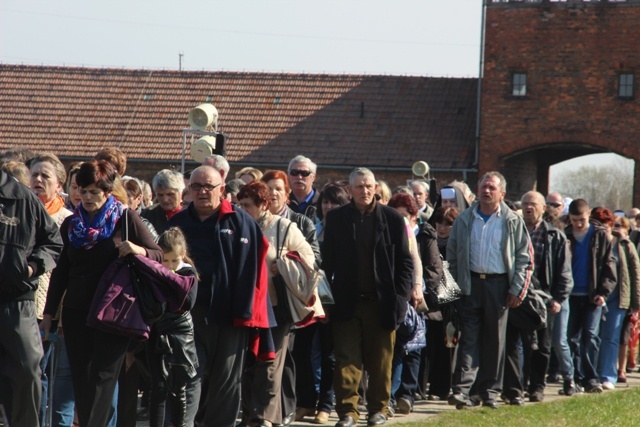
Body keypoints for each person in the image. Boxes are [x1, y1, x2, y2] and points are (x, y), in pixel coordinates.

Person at [40, 160, 163, 427]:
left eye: (94, 192)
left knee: (103, 379)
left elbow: (158, 254)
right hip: (77, 312)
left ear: (108, 192)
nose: (87, 197)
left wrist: (138, 249)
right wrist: (50, 312)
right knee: (83, 380)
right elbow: (61, 271)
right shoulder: (72, 225)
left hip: (114, 312)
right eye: (83, 191)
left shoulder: (125, 218)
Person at [166, 165, 271, 427]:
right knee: (190, 375)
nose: (202, 192)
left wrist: (248, 314)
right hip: (188, 315)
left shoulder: (240, 221)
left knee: (226, 383)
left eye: (208, 187)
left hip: (230, 316)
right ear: (188, 190)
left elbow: (255, 271)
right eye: (196, 186)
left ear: (222, 190)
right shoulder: (178, 223)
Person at [322, 167, 413, 427]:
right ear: (350, 190)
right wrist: (325, 300)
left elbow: (405, 263)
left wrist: (400, 299)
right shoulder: (337, 219)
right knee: (346, 361)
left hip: (382, 303)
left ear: (376, 188)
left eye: (369, 186)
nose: (365, 191)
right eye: (359, 186)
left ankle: (378, 410)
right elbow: (327, 262)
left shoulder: (393, 219)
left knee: (381, 361)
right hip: (346, 301)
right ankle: (348, 412)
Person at [238, 181, 322, 427]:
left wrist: (285, 262)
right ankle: (248, 414)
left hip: (276, 307)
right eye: (240, 205)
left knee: (270, 363)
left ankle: (263, 416)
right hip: (246, 307)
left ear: (263, 205)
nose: (242, 210)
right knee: (247, 362)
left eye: (248, 205)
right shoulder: (238, 225)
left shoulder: (284, 227)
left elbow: (310, 260)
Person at [447, 171, 533, 410]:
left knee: (495, 341)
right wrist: (453, 287)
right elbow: (451, 255)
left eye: (491, 188)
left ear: (502, 193)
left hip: (498, 286)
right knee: (468, 339)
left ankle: (490, 392)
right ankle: (462, 391)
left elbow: (525, 259)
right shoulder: (465, 219)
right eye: (483, 187)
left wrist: (518, 290)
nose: (486, 191)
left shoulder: (512, 221)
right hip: (470, 284)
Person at [0, 167, 64, 427]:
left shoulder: (21, 198)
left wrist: (31, 267)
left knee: (27, 370)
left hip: (17, 301)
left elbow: (53, 242)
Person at [261, 170, 321, 425]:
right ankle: (271, 410)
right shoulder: (254, 220)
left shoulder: (300, 222)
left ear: (286, 194)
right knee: (269, 358)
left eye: (278, 189)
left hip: (290, 299)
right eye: (268, 189)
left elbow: (314, 259)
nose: (273, 194)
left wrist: (284, 263)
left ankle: (284, 409)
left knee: (285, 357)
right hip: (262, 300)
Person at [502, 191, 574, 403]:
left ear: (544, 208)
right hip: (515, 295)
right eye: (525, 204)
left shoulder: (554, 236)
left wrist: (558, 299)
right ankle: (514, 389)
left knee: (541, 347)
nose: (528, 208)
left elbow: (564, 271)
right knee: (512, 344)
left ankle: (536, 387)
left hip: (543, 299)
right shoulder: (512, 231)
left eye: (533, 204)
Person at [294, 183, 350, 424]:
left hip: (334, 302)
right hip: (309, 299)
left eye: (334, 202)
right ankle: (306, 401)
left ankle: (325, 405)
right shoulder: (313, 229)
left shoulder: (347, 232)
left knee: (329, 356)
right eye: (325, 202)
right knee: (302, 351)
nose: (329, 207)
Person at [387, 192, 442, 415]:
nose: (400, 220)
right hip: (396, 298)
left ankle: (407, 394)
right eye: (395, 215)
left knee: (415, 348)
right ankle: (392, 396)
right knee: (398, 347)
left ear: (413, 216)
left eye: (404, 215)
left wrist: (418, 287)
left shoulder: (424, 235)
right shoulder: (389, 234)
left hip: (418, 298)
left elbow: (433, 268)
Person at [564, 199, 617, 394]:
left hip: (592, 294)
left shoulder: (600, 235)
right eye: (575, 220)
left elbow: (609, 265)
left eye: (582, 220)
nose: (578, 224)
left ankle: (591, 378)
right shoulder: (566, 235)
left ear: (589, 216)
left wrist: (603, 292)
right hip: (570, 294)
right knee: (571, 338)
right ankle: (577, 378)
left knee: (590, 336)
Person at [149, 227, 199, 427]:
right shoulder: (154, 271)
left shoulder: (188, 272)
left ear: (183, 256)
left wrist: (165, 278)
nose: (169, 266)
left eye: (173, 261)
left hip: (180, 334)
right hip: (158, 331)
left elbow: (187, 302)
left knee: (179, 388)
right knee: (157, 387)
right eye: (165, 260)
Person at [595, 212, 640, 390]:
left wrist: (636, 303)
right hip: (597, 295)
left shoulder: (624, 244)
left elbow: (635, 273)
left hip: (618, 298)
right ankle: (591, 373)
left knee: (611, 337)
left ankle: (608, 375)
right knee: (593, 336)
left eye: (608, 224)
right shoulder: (594, 242)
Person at [423, 206, 459, 402]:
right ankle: (427, 386)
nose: (442, 228)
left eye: (448, 224)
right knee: (431, 344)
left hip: (452, 301)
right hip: (432, 300)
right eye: (439, 223)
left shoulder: (458, 244)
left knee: (448, 344)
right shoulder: (429, 242)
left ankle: (443, 387)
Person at [142, 169, 185, 234]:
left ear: (181, 193)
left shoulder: (190, 215)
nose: (165, 200)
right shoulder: (148, 215)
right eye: (160, 195)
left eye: (170, 194)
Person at [287, 155, 319, 220]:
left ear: (313, 177)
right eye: (294, 172)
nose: (299, 177)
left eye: (304, 173)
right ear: (288, 175)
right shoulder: (283, 202)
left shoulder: (322, 203)